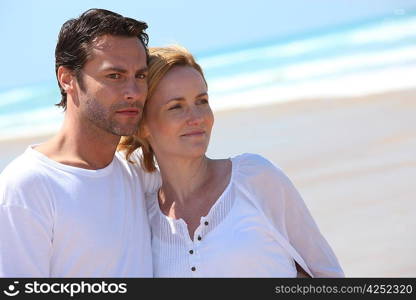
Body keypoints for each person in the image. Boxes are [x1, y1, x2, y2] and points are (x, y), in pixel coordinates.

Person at [119, 46, 344, 277]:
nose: (197, 117)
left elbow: (328, 273)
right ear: (142, 125)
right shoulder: (143, 219)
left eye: (202, 101)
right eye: (176, 107)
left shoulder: (254, 178)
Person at [0, 9, 160, 277]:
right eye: (115, 76)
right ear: (67, 79)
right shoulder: (27, 187)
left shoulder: (137, 173)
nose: (133, 93)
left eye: (140, 76)